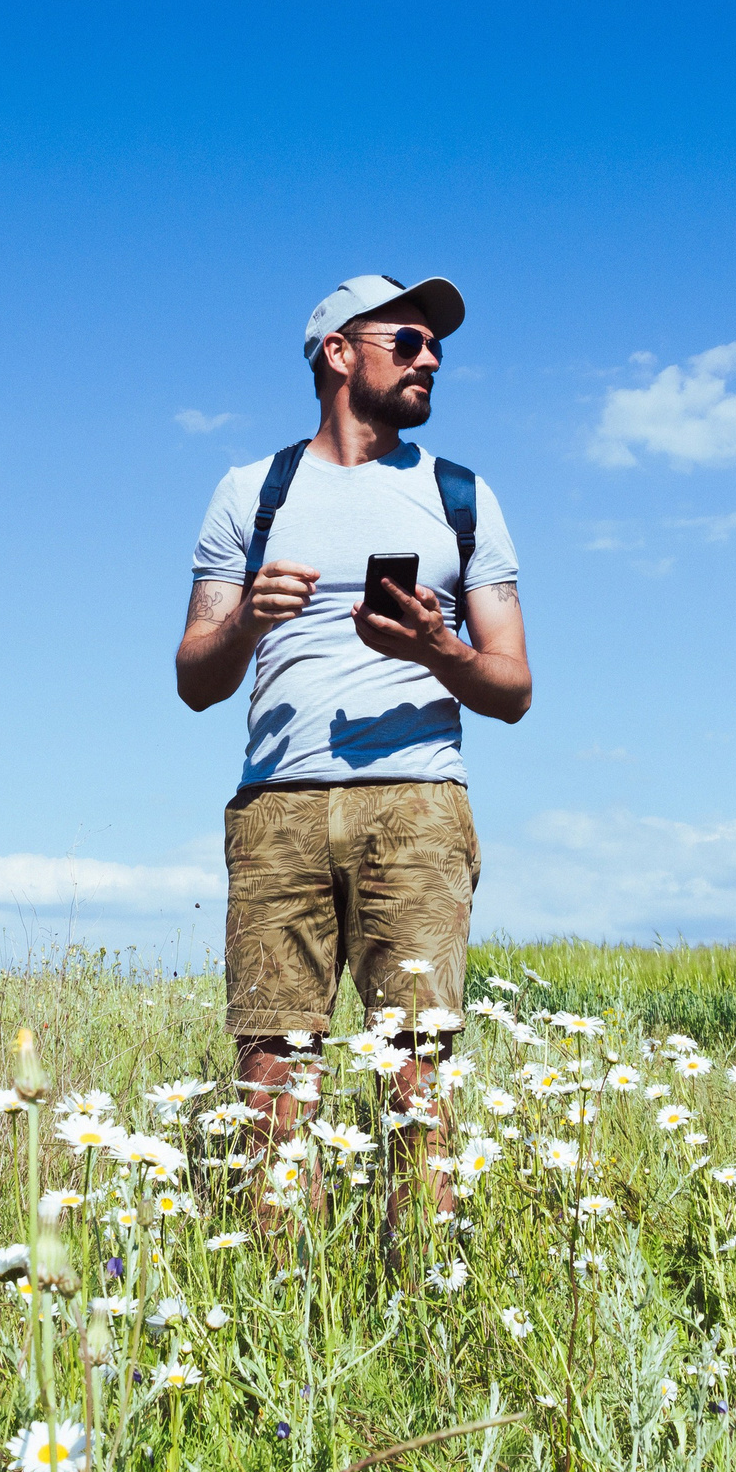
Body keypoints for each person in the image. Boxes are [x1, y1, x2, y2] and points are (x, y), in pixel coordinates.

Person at [175, 274, 531, 1231]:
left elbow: (514, 689)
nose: (431, 359)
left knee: (418, 1075)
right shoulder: (252, 492)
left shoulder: (460, 496)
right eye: (407, 340)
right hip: (277, 805)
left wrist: (438, 647)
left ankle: (424, 1287)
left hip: (418, 804)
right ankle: (277, 1288)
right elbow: (196, 679)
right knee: (271, 1074)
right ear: (338, 352)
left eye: (436, 345)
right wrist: (247, 619)